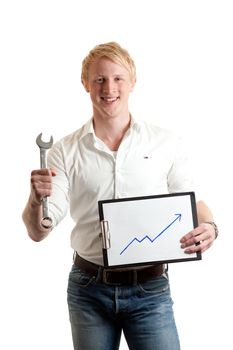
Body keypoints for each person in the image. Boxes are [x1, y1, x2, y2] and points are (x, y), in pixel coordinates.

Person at [22, 42, 218, 350]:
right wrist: (36, 200)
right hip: (88, 290)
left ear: (133, 82)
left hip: (151, 290)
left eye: (117, 78)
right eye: (99, 79)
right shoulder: (63, 151)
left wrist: (211, 227)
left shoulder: (165, 142)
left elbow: (192, 202)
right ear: (85, 83)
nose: (108, 88)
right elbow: (38, 230)